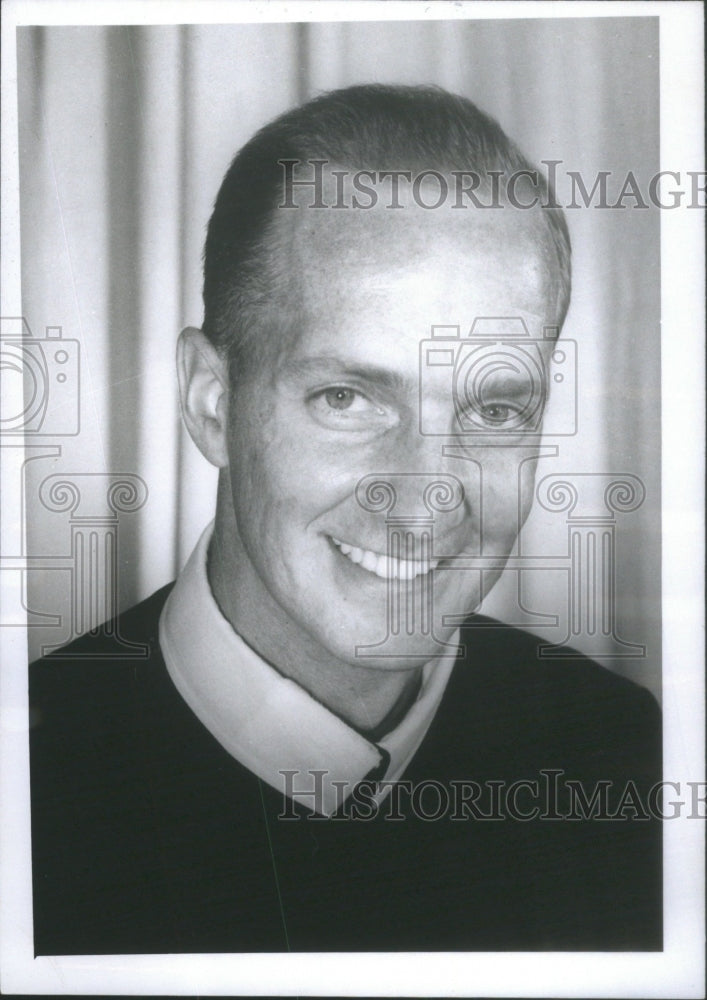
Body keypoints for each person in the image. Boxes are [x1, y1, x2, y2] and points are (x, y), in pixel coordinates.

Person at [29, 84, 661, 955]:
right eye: (346, 397)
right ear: (213, 405)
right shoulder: (25, 781)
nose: (425, 496)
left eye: (493, 411)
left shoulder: (624, 758)